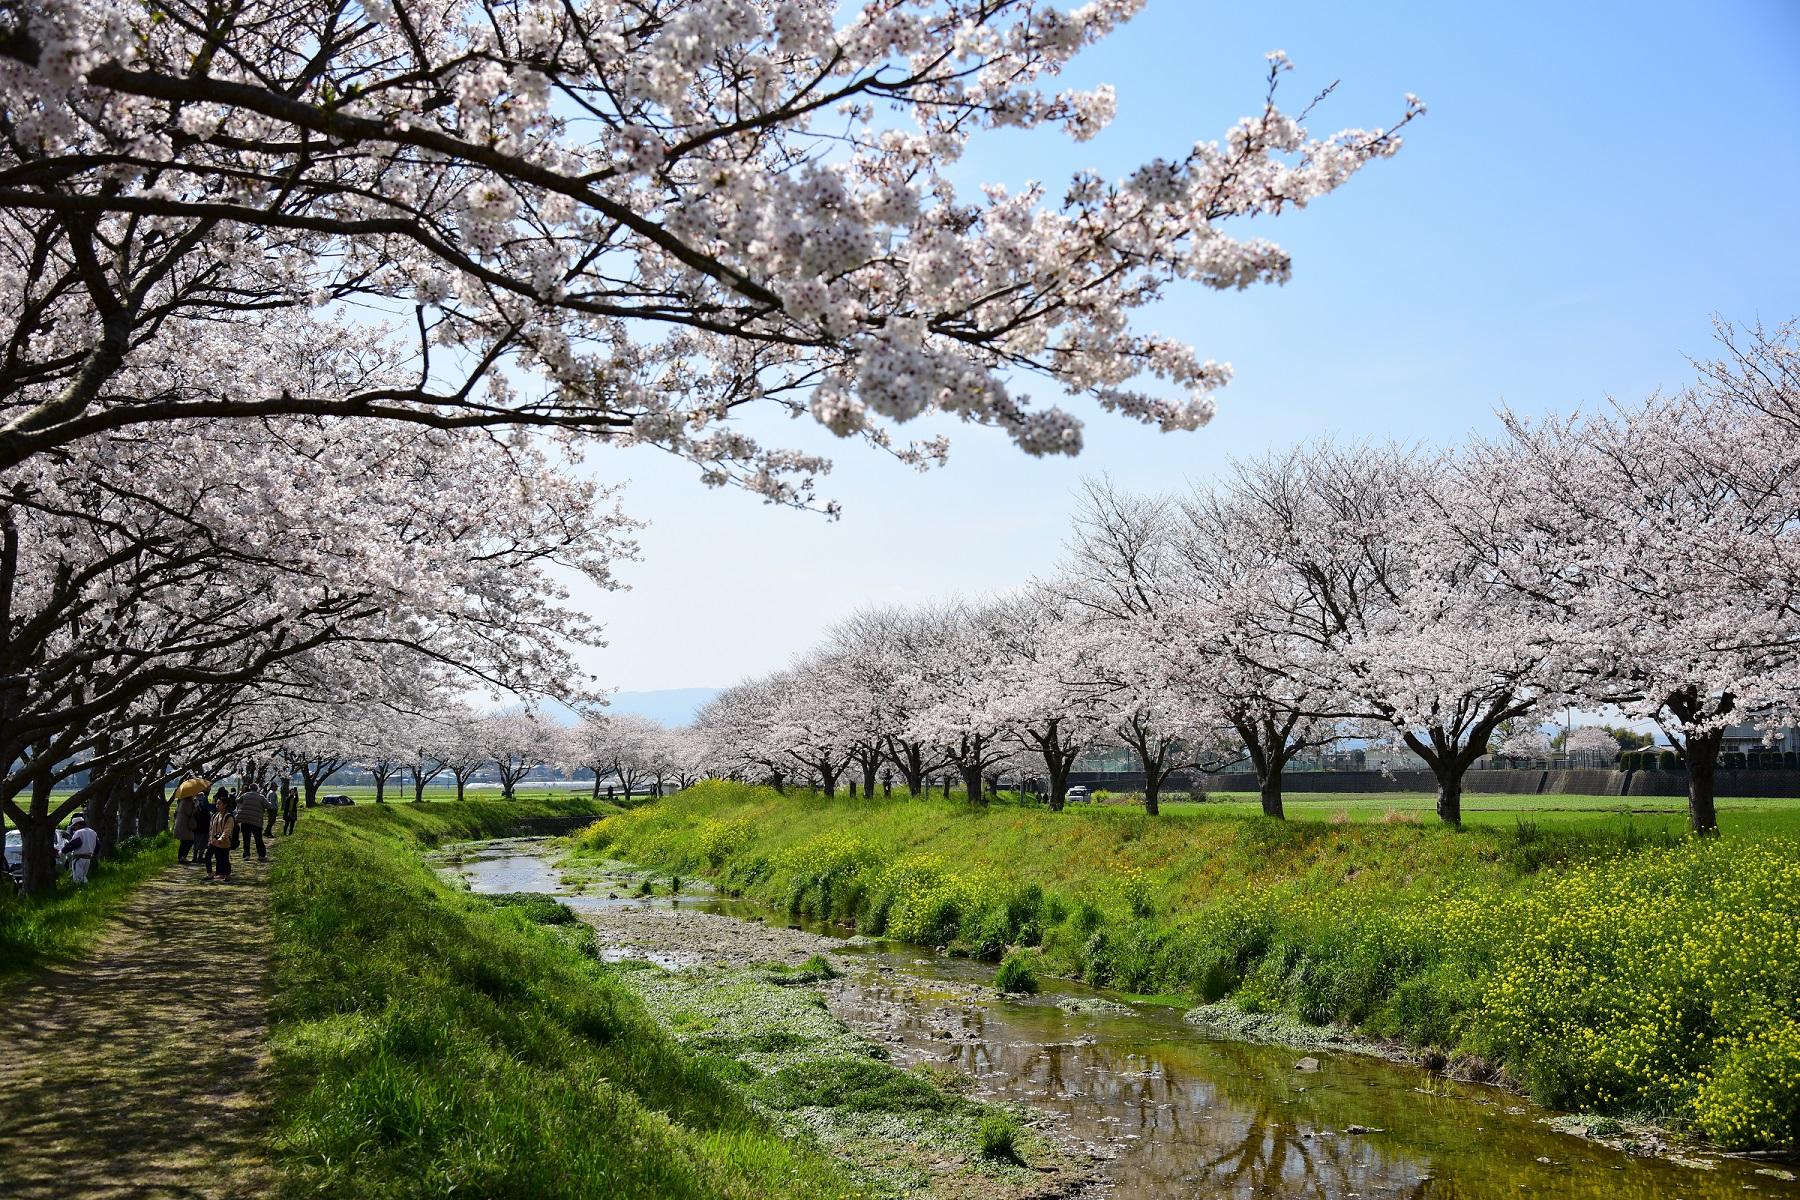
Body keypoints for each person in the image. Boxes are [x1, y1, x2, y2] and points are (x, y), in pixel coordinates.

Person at [205, 798, 236, 882]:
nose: (217, 806)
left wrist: (221, 839)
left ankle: (227, 875)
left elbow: (227, 830)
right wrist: (210, 839)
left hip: (224, 842)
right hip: (213, 841)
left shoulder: (228, 817)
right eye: (217, 804)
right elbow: (211, 829)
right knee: (207, 857)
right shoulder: (215, 815)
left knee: (224, 859)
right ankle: (210, 874)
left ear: (225, 805)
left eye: (219, 804)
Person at [61, 816, 98, 884]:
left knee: (78, 878)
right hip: (88, 858)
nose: (74, 828)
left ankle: (83, 890)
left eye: (75, 826)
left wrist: (63, 850)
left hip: (79, 858)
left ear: (78, 824)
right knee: (83, 876)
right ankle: (86, 890)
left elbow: (74, 843)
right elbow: (98, 845)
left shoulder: (79, 832)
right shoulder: (93, 832)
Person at [235, 785, 268, 862]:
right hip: (256, 821)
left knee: (246, 839)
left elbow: (237, 800)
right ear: (257, 789)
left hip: (245, 820)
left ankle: (246, 855)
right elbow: (269, 805)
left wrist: (240, 792)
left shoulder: (245, 795)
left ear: (249, 789)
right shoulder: (261, 797)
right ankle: (261, 855)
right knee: (258, 839)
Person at [173, 788, 200, 864]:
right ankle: (182, 857)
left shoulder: (183, 801)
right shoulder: (186, 802)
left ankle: (181, 857)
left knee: (184, 841)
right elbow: (189, 813)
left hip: (183, 824)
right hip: (185, 825)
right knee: (189, 840)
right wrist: (195, 806)